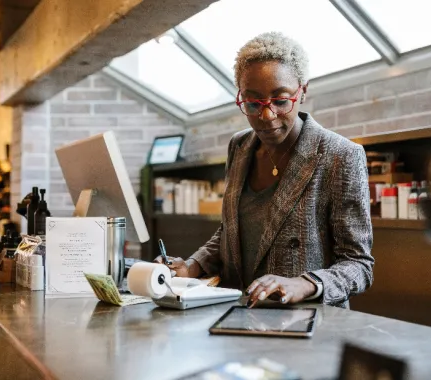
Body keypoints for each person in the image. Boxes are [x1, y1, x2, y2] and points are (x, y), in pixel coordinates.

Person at [155, 31, 374, 308]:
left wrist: (304, 284)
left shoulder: (339, 155)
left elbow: (358, 264)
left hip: (305, 325)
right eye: (253, 103)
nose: (267, 116)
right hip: (236, 313)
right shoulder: (239, 146)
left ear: (302, 91)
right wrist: (191, 266)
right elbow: (230, 232)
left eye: (281, 101)